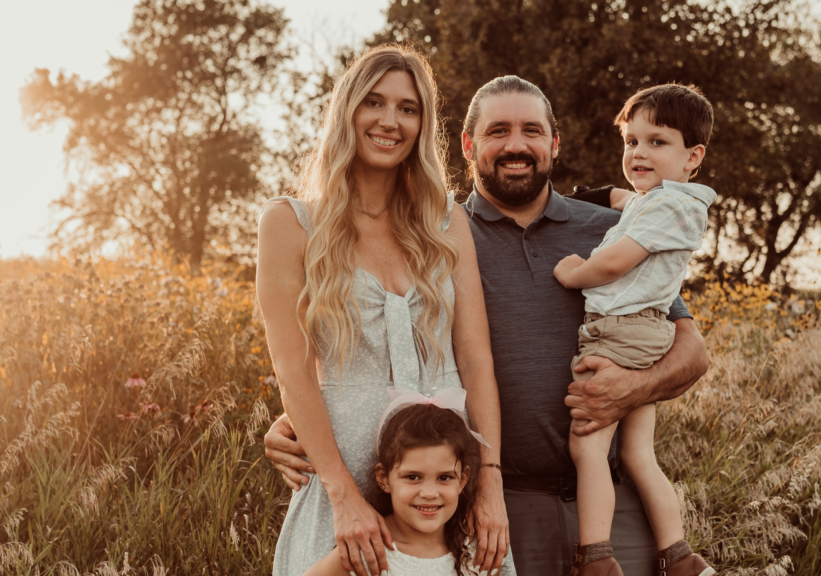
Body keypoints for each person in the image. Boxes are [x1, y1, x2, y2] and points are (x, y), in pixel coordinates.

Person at [265, 75, 711, 576]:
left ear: (554, 143)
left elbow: (691, 349)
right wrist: (300, 419)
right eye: (498, 131)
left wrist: (632, 388)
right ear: (467, 144)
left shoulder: (613, 229)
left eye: (532, 131)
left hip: (610, 506)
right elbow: (384, 342)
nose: (516, 145)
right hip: (495, 507)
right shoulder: (432, 234)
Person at [256, 45, 508, 576]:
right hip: (341, 470)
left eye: (408, 108)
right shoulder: (289, 224)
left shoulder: (446, 221)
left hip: (440, 483)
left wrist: (489, 481)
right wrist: (342, 492)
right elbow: (292, 369)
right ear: (347, 110)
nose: (390, 121)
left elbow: (475, 355)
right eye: (374, 102)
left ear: (422, 122)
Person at [553, 84, 717, 576]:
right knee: (639, 453)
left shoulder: (667, 208)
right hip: (646, 334)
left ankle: (596, 556)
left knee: (588, 446)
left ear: (694, 156)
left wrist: (573, 272)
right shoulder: (668, 200)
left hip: (618, 333)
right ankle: (679, 553)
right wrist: (601, 194)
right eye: (631, 141)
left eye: (656, 142)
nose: (639, 152)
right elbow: (629, 199)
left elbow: (614, 263)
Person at [303, 388, 516, 576]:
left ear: (462, 480)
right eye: (413, 477)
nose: (430, 493)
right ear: (383, 478)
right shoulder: (367, 550)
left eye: (444, 478)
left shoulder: (476, 554)